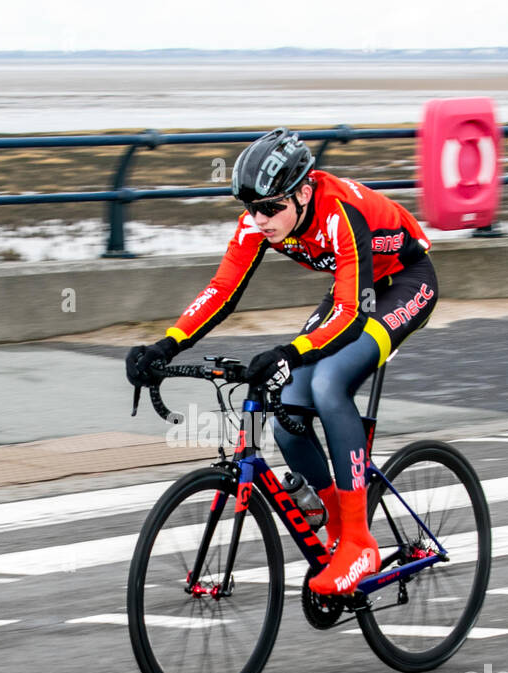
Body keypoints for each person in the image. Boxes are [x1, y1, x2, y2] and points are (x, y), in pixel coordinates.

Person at [126, 128, 438, 596]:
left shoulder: (339, 214)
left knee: (329, 383)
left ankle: (358, 541)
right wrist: (165, 346)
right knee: (288, 399)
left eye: (272, 208)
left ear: (305, 192)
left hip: (405, 283)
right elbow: (222, 290)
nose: (261, 218)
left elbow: (353, 315)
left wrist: (287, 352)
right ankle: (334, 519)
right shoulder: (259, 219)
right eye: (252, 208)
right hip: (355, 283)